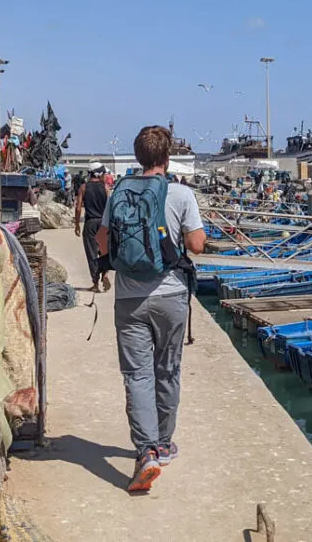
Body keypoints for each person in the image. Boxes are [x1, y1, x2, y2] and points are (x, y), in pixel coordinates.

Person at [96, 125, 205, 494]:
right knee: (167, 370)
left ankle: (145, 452)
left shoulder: (119, 192)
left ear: (138, 157)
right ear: (167, 157)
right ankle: (163, 443)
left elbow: (102, 240)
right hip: (171, 296)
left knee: (137, 375)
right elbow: (197, 244)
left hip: (128, 298)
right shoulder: (181, 194)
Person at [74, 166, 111, 293]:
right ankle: (105, 274)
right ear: (100, 174)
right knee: (104, 251)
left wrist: (77, 224)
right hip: (104, 222)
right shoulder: (106, 188)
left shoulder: (83, 188)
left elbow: (78, 208)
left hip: (90, 223)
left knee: (92, 253)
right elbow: (110, 207)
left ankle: (95, 283)